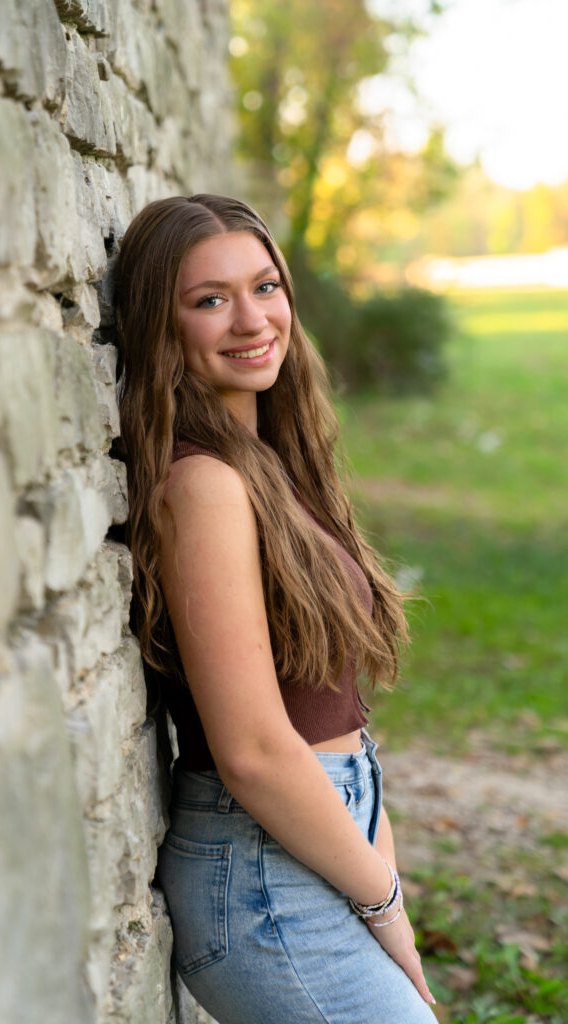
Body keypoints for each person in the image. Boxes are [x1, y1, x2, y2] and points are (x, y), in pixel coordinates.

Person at [114, 194, 438, 1024]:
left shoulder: (270, 463)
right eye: (209, 300)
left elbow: (339, 716)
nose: (251, 319)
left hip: (316, 837)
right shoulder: (207, 486)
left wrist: (375, 866)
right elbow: (256, 750)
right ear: (161, 324)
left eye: (265, 287)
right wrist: (386, 905)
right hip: (265, 877)